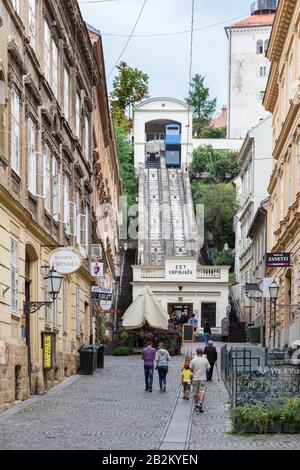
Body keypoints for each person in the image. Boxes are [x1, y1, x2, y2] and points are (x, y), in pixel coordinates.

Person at [189, 347, 210, 413]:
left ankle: (196, 405)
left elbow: (190, 369)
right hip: (203, 378)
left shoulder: (193, 360)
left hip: (195, 378)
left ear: (196, 352)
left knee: (195, 392)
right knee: (202, 392)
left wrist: (195, 371)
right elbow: (208, 369)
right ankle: (200, 403)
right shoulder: (205, 360)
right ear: (202, 353)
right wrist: (204, 372)